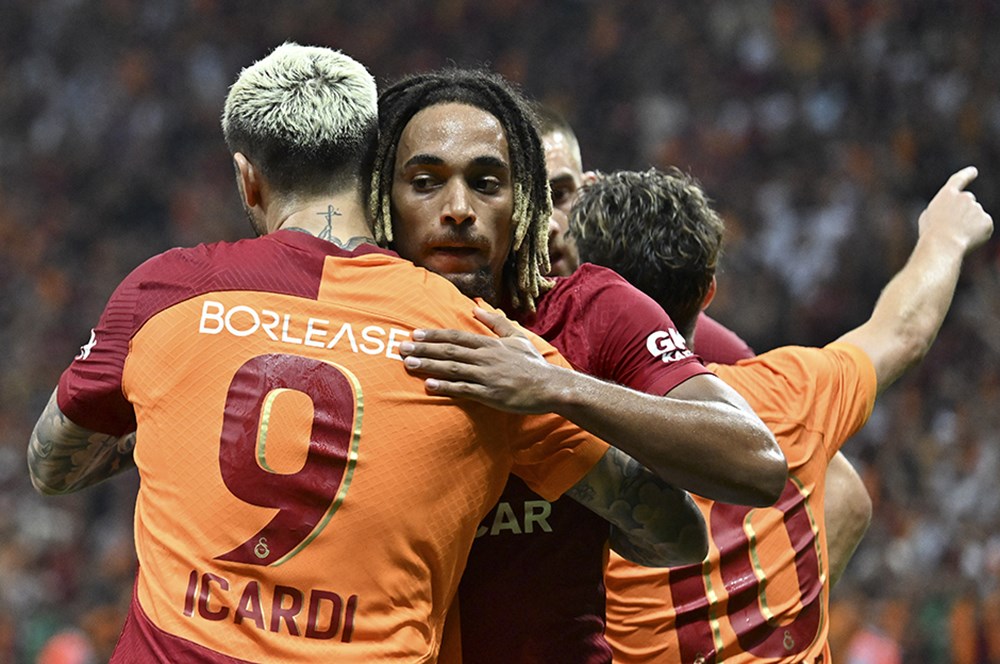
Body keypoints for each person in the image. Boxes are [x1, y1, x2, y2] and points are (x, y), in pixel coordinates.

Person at [24, 44, 706, 663]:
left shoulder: (165, 290)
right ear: (374, 172)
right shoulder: (476, 339)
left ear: (248, 179)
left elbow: (51, 467)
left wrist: (176, 418)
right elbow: (674, 534)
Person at [370, 67, 786, 662]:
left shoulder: (592, 308)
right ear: (383, 201)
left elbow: (757, 464)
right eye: (426, 182)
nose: (458, 208)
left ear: (525, 203)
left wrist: (553, 385)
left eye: (486, 184)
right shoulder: (343, 321)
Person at [569, 167, 989, 661]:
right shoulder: (791, 391)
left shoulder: (568, 433)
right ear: (708, 293)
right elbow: (904, 331)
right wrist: (944, 235)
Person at [534, 103, 873, 587]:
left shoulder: (678, 334)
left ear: (591, 189)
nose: (547, 222)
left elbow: (840, 493)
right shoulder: (476, 312)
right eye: (530, 199)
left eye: (560, 194)